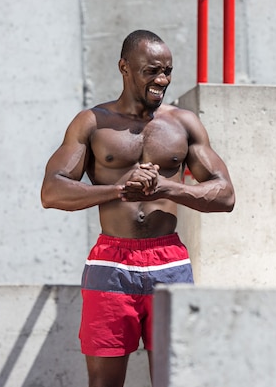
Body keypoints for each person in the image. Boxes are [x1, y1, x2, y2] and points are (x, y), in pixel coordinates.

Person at [41, 29, 235, 387]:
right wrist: (118, 190)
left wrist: (168, 187)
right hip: (111, 262)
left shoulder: (183, 123)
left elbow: (225, 195)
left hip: (169, 261)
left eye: (168, 71)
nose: (161, 80)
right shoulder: (93, 123)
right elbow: (51, 191)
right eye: (151, 71)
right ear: (124, 68)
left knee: (174, 378)